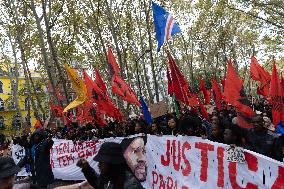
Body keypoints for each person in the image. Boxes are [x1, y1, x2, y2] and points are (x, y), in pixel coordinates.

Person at [77, 142, 143, 189]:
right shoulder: (108, 176)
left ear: (112, 164)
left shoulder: (130, 184)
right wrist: (86, 169)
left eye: (102, 162)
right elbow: (98, 184)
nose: (99, 165)